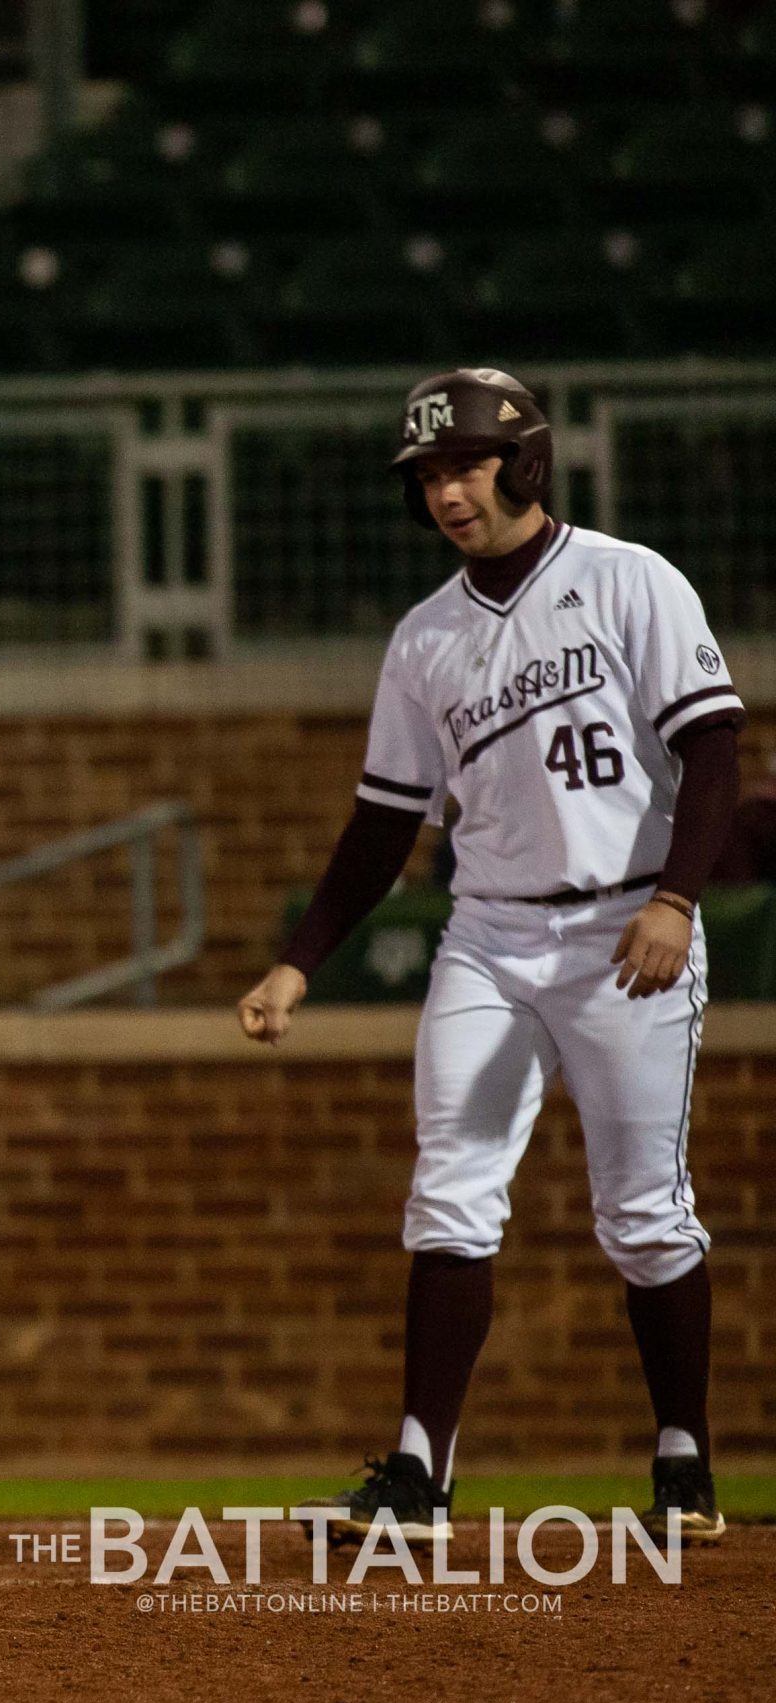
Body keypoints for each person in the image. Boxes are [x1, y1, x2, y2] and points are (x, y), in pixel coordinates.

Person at [238, 369, 741, 1548]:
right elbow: (381, 824)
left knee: (644, 1218)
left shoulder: (629, 580)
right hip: (490, 935)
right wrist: (298, 960)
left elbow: (713, 753)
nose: (447, 491)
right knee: (449, 1196)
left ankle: (682, 1460)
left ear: (523, 462)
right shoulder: (425, 638)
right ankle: (418, 1475)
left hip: (626, 928)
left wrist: (675, 896)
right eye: (427, 475)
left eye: (464, 464)